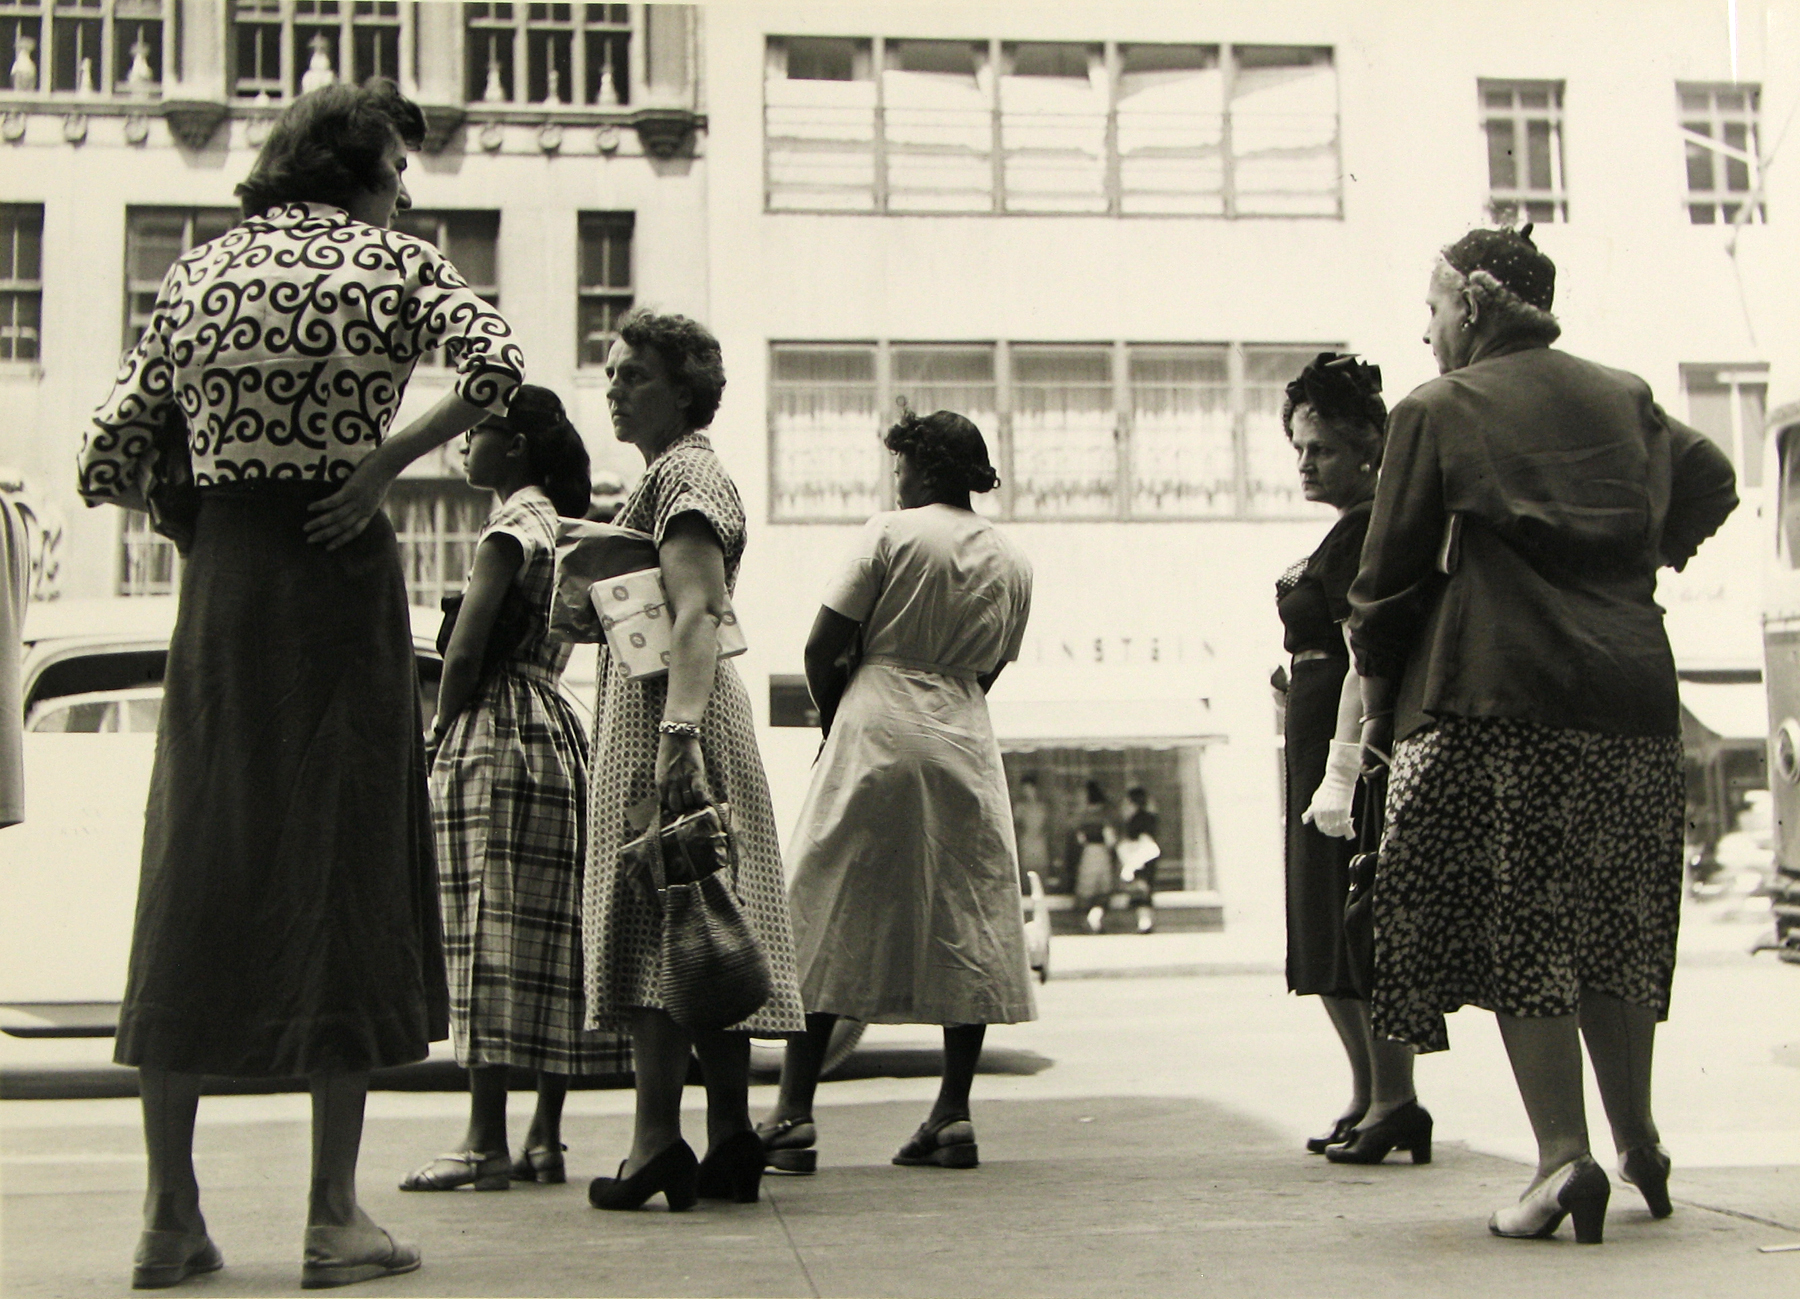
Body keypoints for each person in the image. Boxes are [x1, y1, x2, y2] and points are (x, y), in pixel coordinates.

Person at [75, 79, 524, 1289]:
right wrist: (382, 468)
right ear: (365, 165)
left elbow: (102, 455)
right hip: (339, 578)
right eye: (398, 168)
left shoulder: (197, 272)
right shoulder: (398, 262)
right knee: (346, 867)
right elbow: (500, 374)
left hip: (228, 585)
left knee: (198, 865)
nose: (406, 189)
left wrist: (188, 517)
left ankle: (171, 1217)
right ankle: (332, 1217)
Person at [1348, 226, 1738, 1242]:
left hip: (1500, 694)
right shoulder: (1626, 393)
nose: (1425, 329)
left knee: (1527, 928)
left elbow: (1383, 584)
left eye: (1432, 309)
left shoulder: (1437, 409)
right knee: (1610, 922)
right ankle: (1638, 1138)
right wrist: (1642, 560)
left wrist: (1378, 693)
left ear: (1471, 309)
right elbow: (1713, 478)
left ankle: (1563, 1159)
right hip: (1633, 697)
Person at [758, 408, 1034, 1174]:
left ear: (924, 467)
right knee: (964, 907)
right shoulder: (1013, 558)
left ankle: (793, 1114)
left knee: (824, 899)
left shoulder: (889, 531)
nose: (896, 476)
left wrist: (834, 712)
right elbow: (991, 668)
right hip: (962, 729)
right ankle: (951, 1113)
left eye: (902, 462)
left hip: (876, 718)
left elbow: (822, 643)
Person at [581, 310, 805, 1212]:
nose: (615, 388)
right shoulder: (676, 474)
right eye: (612, 374)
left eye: (633, 374)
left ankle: (654, 1144)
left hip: (667, 720)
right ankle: (730, 1137)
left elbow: (698, 610)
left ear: (682, 386)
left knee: (660, 924)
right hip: (685, 714)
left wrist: (677, 737)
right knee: (707, 919)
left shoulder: (686, 472)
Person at [399, 386, 629, 1194]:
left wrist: (438, 734)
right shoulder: (565, 526)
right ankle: (544, 1137)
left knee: (485, 928)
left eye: (479, 431)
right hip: (556, 726)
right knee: (549, 934)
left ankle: (482, 1139)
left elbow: (461, 658)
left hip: (494, 729)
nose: (464, 443)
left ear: (518, 445)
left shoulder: (506, 528)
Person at [1273, 353, 1424, 1163]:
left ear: (1369, 445)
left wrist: (1341, 769)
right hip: (1310, 736)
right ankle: (1370, 1092)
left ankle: (1396, 1097)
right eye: (1299, 448)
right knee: (1324, 925)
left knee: (1359, 919)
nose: (1305, 464)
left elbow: (1365, 658)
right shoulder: (1346, 529)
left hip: (1347, 745)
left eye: (1320, 449)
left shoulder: (1372, 528)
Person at [1072, 781, 1118, 934]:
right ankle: (1096, 917)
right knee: (1102, 889)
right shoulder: (1105, 816)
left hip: (1088, 854)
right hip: (1101, 853)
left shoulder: (1083, 817)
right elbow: (1110, 839)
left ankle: (1086, 921)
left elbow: (1080, 839)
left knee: (1086, 888)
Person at [1117, 787, 1161, 934]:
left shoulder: (1136, 819)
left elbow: (1143, 841)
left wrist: (1132, 863)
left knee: (1140, 890)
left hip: (1139, 859)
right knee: (1144, 889)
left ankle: (1144, 921)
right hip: (1148, 859)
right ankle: (1145, 920)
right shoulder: (1150, 817)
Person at [1012, 773, 1051, 893]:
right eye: (1024, 789)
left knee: (1041, 868)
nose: (1027, 792)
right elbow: (1015, 826)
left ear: (1035, 788)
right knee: (1026, 869)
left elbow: (1048, 826)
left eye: (1029, 788)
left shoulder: (1042, 806)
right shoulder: (1020, 807)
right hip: (1026, 841)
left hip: (1040, 842)